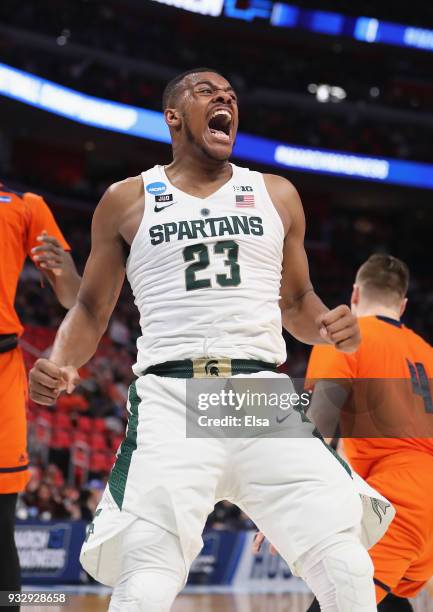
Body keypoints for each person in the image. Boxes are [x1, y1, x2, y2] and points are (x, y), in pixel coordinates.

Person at [29, 68, 393, 612]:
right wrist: (60, 362)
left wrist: (324, 325)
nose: (224, 97)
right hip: (173, 396)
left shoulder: (276, 194)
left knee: (345, 564)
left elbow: (296, 303)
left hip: (257, 396)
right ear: (173, 116)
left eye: (229, 94)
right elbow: (90, 307)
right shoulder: (126, 200)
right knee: (147, 575)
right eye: (206, 91)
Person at [304, 254, 433, 611]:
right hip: (430, 506)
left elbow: (315, 429)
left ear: (355, 295)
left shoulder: (345, 339)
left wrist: (284, 506)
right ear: (403, 304)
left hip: (396, 499)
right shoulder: (431, 354)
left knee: (338, 601)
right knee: (386, 598)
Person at [0, 183, 80, 604]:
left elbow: (72, 295)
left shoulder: (25, 206)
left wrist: (63, 268)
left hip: (2, 368)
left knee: (0, 526)